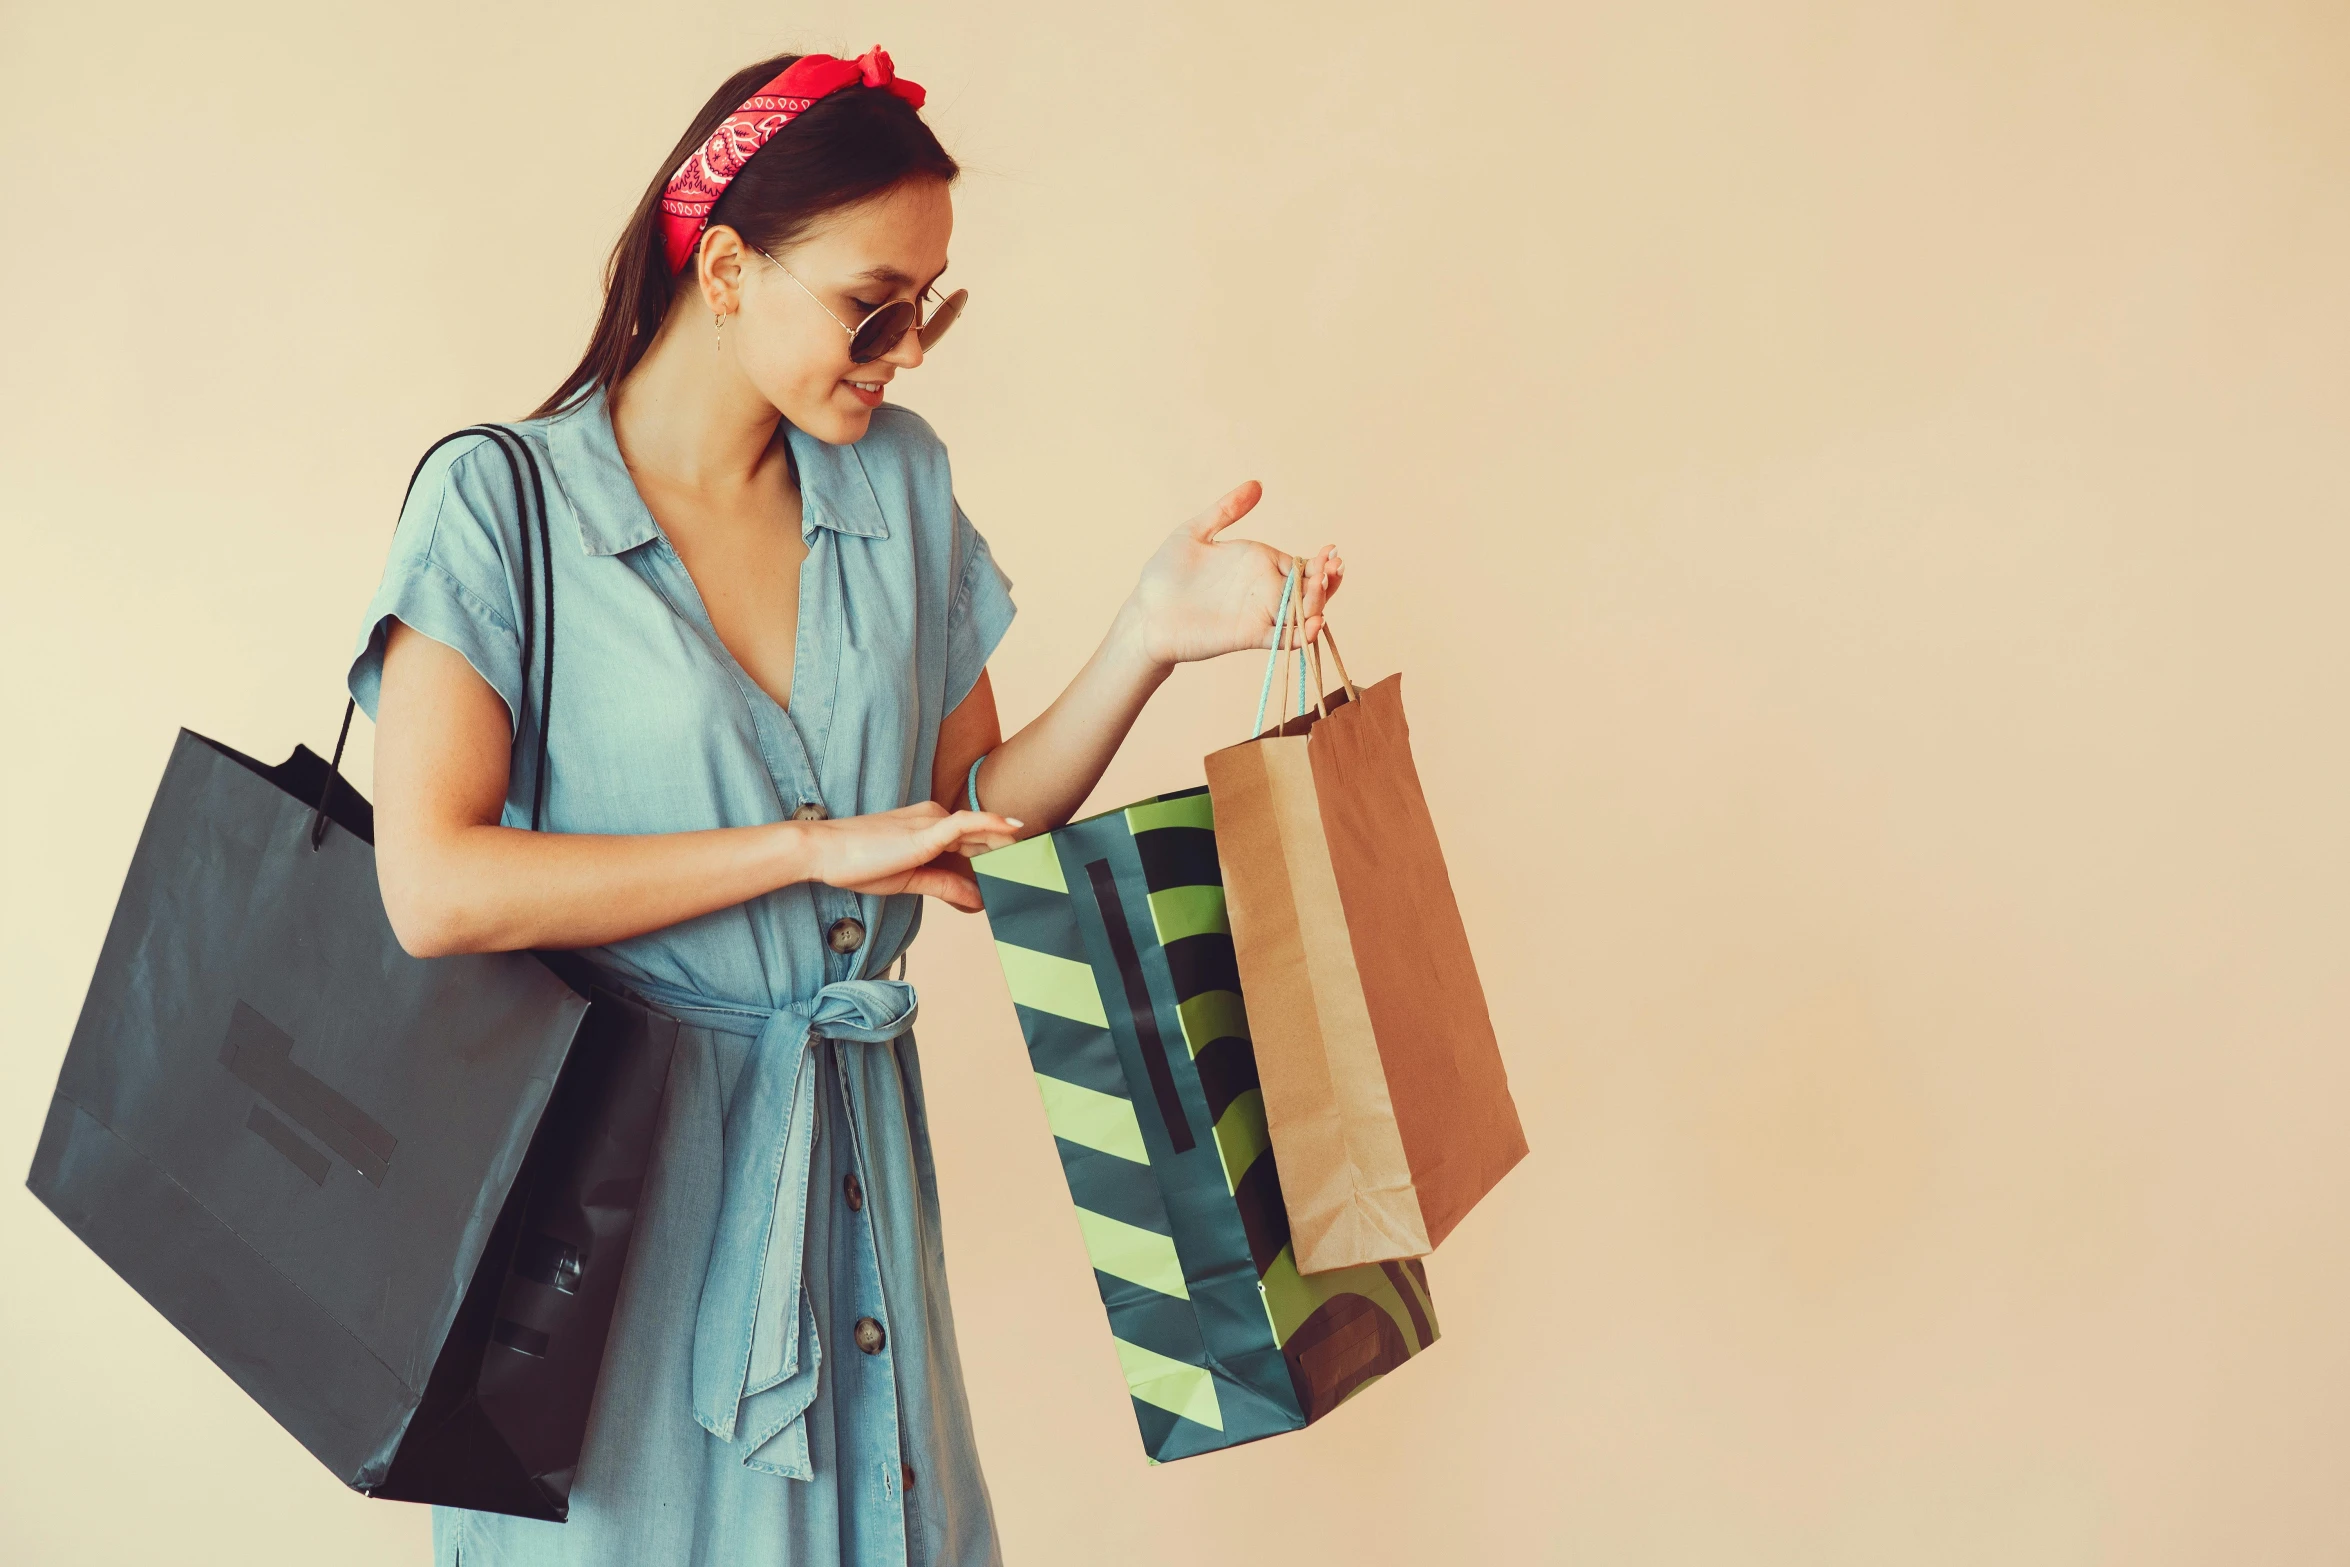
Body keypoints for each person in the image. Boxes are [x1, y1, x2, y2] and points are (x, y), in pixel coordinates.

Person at [346, 46, 1341, 1567]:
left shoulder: (901, 484)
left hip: (851, 1163)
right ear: (729, 269)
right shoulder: (502, 508)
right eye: (873, 304)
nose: (907, 351)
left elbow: (967, 809)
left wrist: (1145, 634)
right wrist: (810, 849)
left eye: (928, 307)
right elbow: (432, 886)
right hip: (609, 1205)